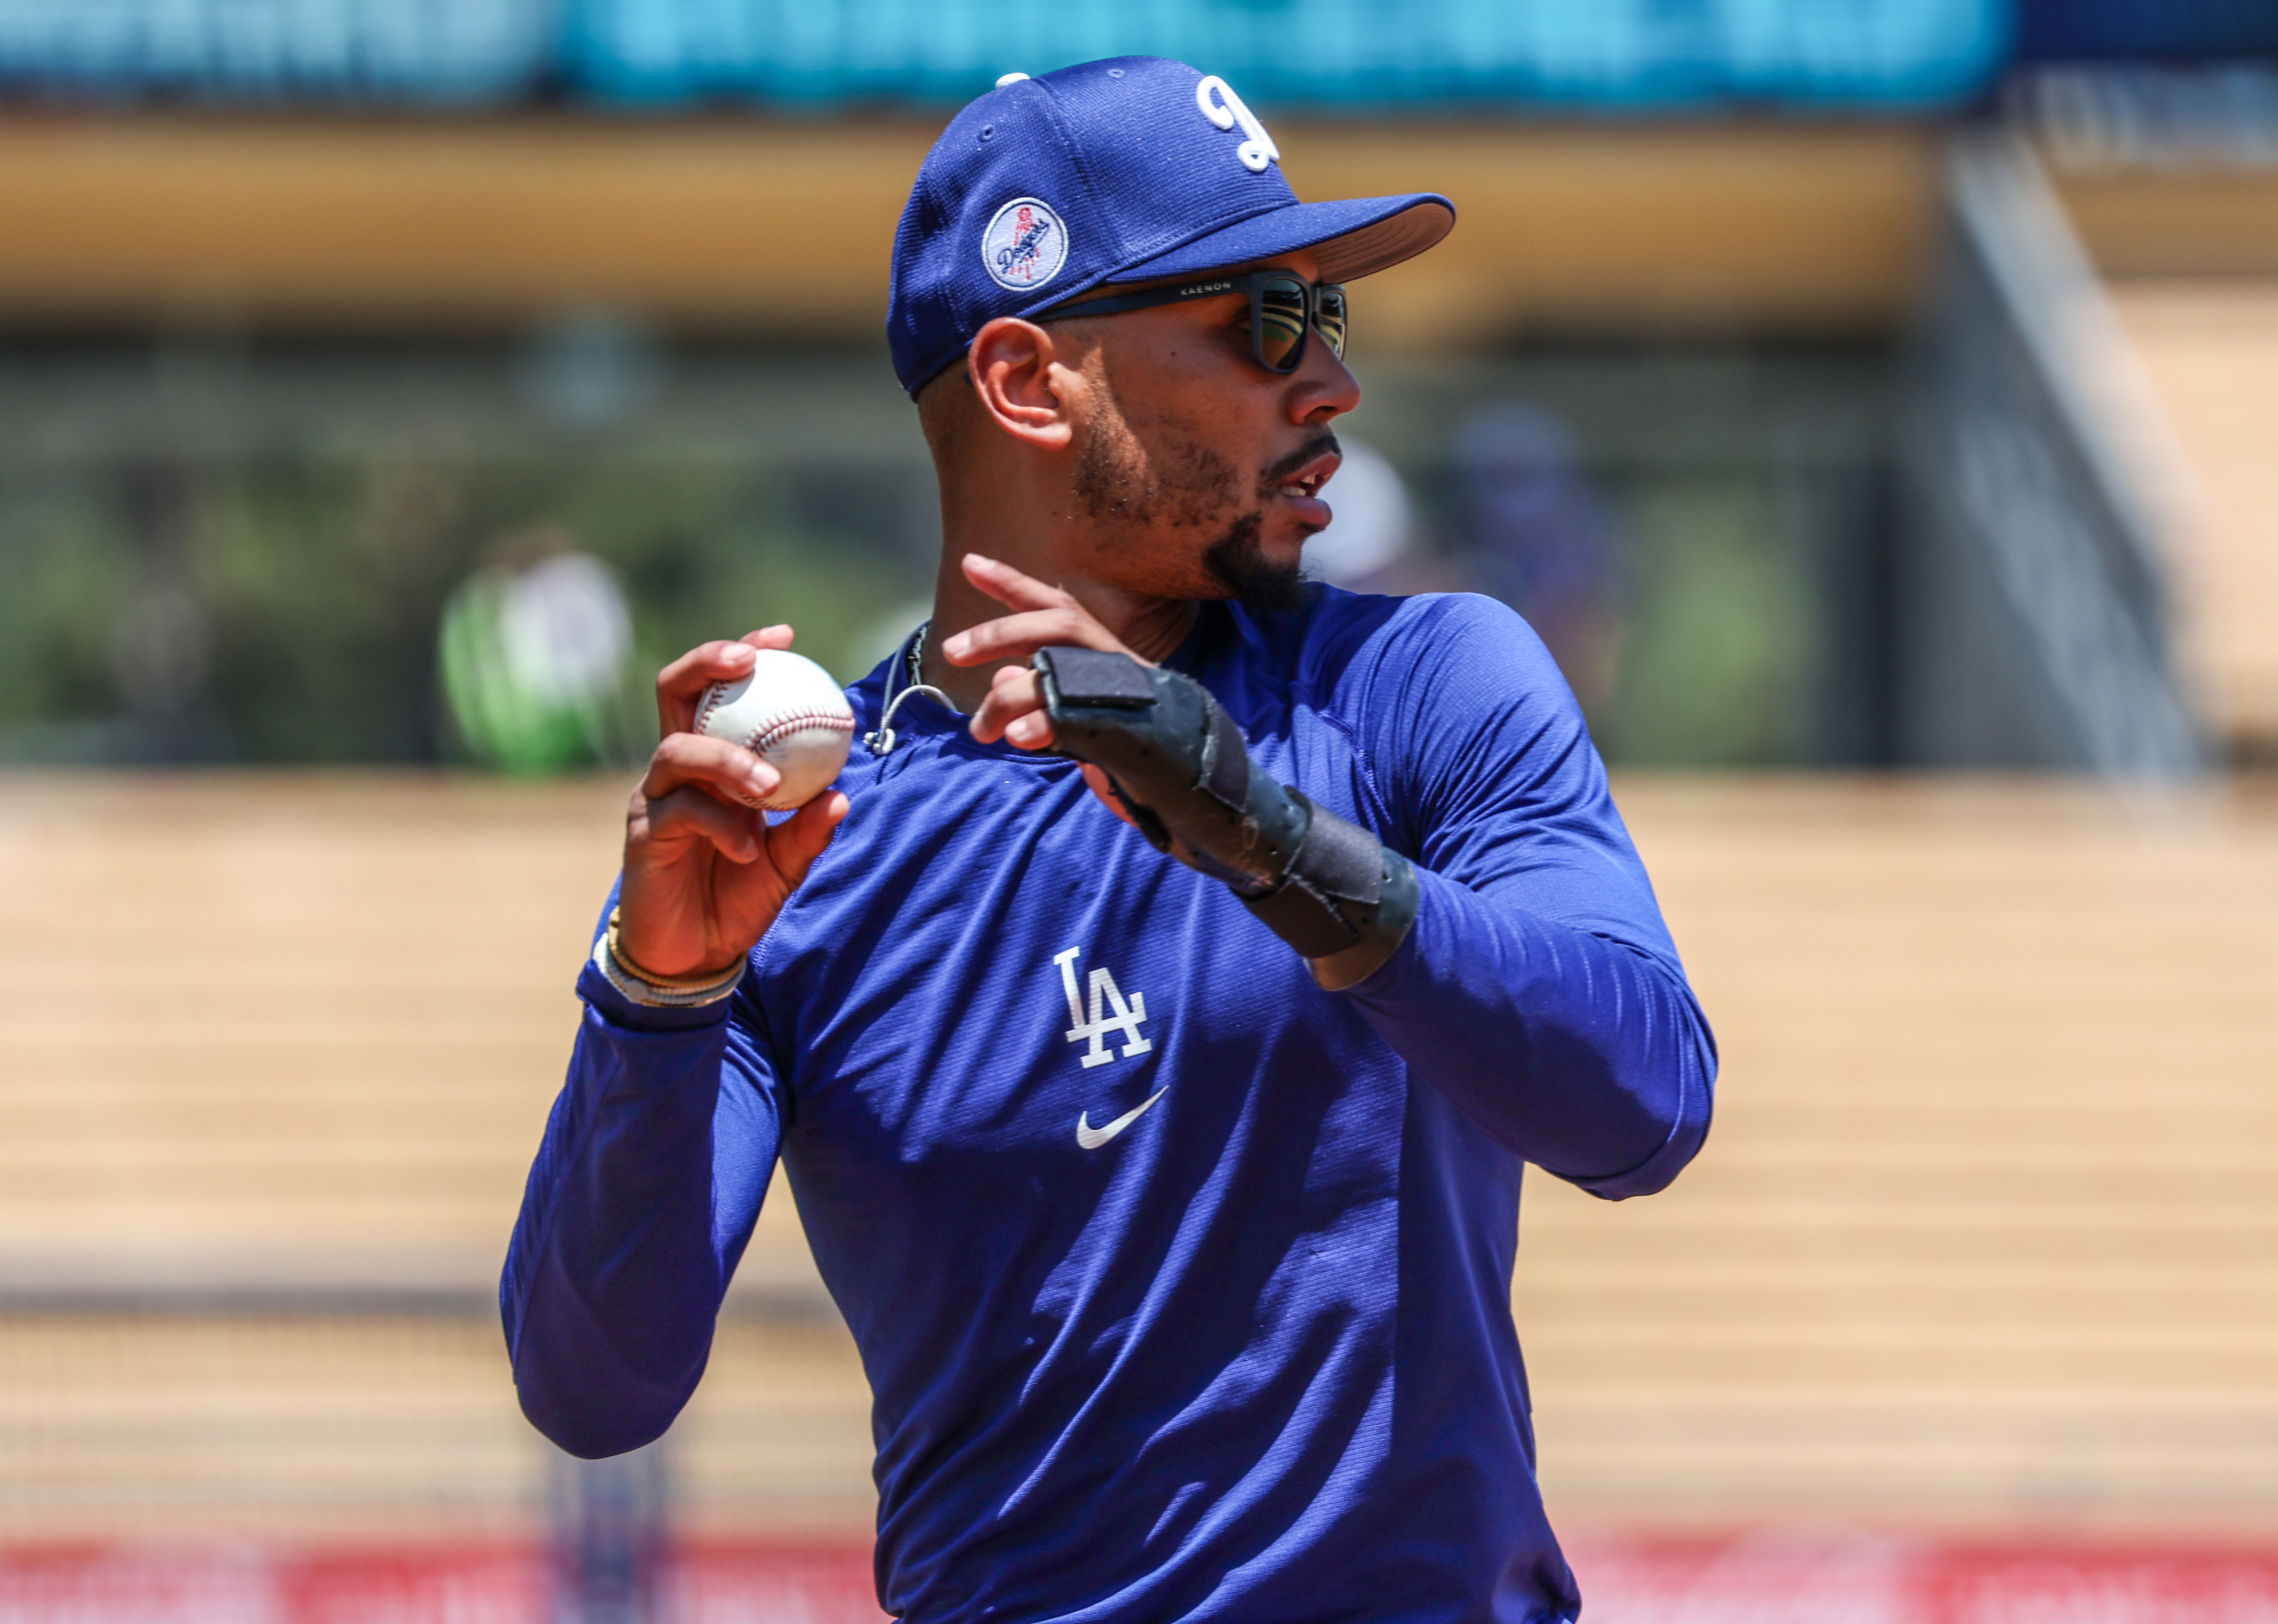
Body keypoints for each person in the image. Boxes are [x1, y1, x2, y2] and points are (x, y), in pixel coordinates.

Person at [503, 56, 1716, 1624]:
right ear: (1025, 381)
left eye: (1327, 320)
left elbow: (1645, 1101)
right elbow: (595, 1387)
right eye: (1267, 321)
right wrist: (655, 995)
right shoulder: (803, 843)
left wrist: (1258, 831)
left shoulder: (1420, 679)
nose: (1330, 382)